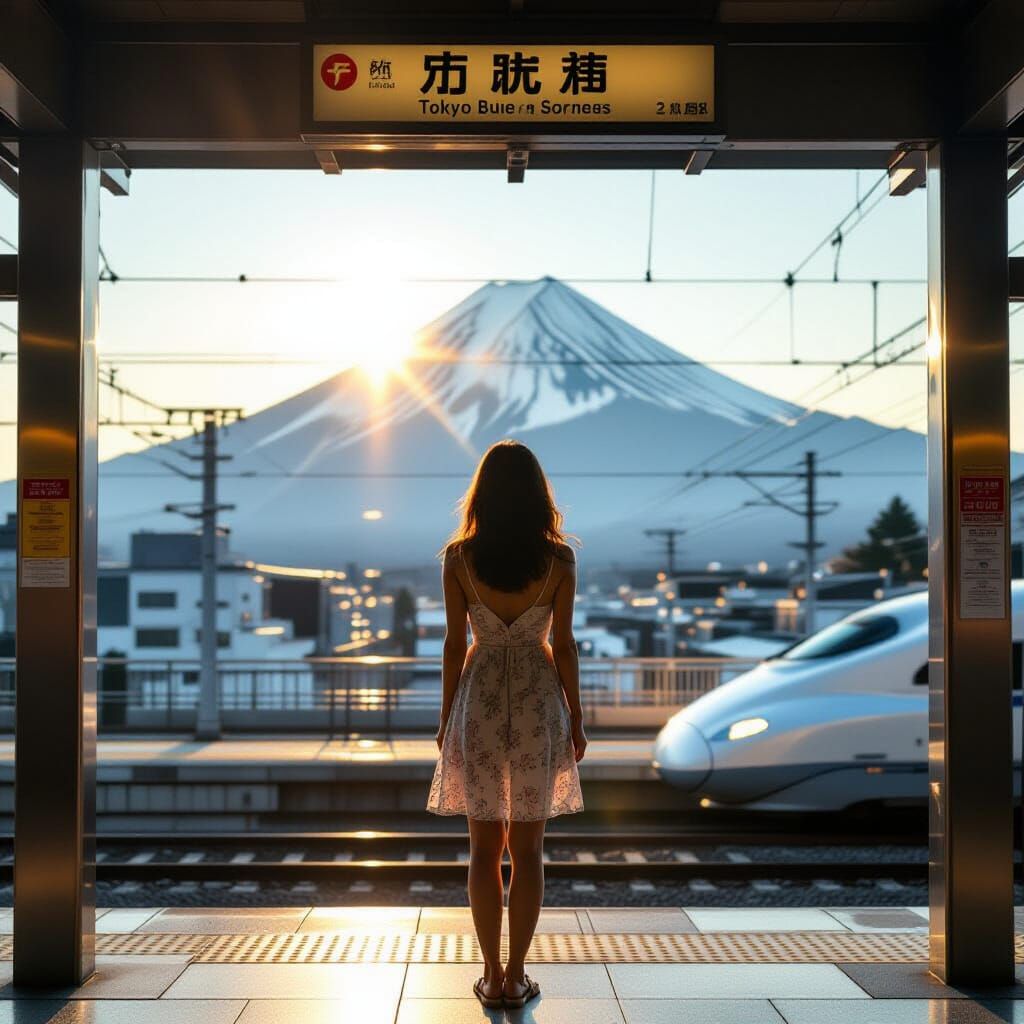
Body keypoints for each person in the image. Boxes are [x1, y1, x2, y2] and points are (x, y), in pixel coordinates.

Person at [426, 439, 587, 1009]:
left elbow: (453, 644)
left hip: (480, 698)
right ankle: (518, 975)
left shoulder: (458, 558)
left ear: (482, 494)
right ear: (538, 494)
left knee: (482, 848)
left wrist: (446, 718)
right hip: (539, 699)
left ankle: (490, 974)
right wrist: (577, 715)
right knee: (529, 847)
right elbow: (563, 645)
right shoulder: (560, 560)